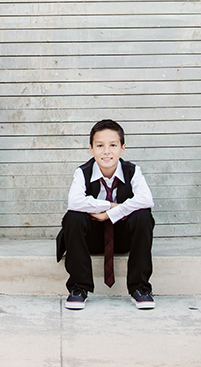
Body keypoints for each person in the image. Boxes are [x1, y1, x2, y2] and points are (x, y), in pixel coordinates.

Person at [56, 119, 156, 311]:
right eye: (100, 146)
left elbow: (146, 199)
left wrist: (111, 214)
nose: (106, 152)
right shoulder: (82, 172)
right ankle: (78, 287)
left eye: (113, 145)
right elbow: (74, 202)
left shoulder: (133, 171)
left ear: (123, 148)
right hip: (91, 239)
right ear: (91, 149)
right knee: (73, 216)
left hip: (122, 238)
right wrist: (110, 205)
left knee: (143, 215)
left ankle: (140, 288)